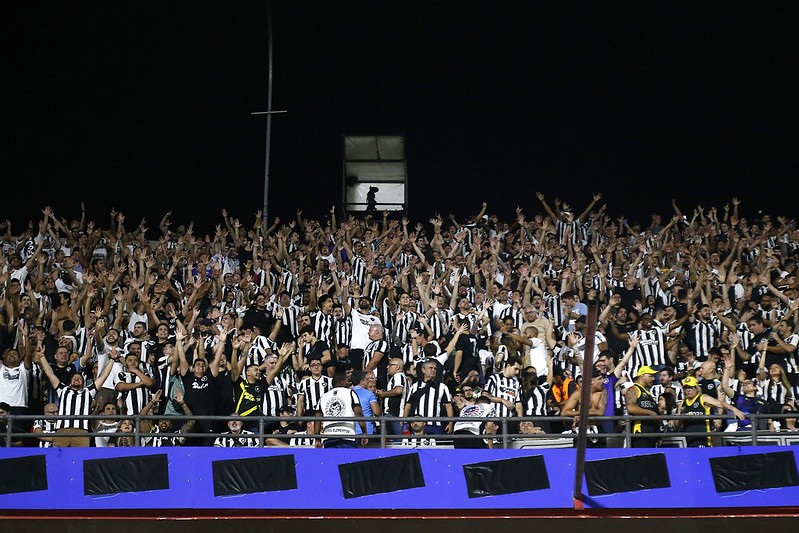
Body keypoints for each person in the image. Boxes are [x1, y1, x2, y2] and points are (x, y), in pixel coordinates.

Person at [35, 340, 115, 447]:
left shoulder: (88, 392)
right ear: (70, 382)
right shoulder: (63, 390)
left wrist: (112, 360)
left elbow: (103, 376)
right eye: (74, 378)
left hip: (82, 432)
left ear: (83, 382)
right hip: (62, 431)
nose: (77, 379)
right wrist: (42, 356)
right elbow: (50, 374)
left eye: (79, 378)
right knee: (60, 459)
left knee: (79, 460)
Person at [675, 376, 745, 447]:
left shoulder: (703, 398)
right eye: (686, 388)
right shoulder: (682, 404)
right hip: (689, 439)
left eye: (691, 387)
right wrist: (680, 415)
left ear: (696, 388)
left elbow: (720, 403)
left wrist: (734, 409)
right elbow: (677, 424)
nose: (688, 390)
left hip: (704, 439)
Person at [314, 371, 367, 448]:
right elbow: (358, 413)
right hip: (347, 436)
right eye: (347, 380)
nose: (349, 383)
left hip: (329, 437)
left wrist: (317, 439)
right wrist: (364, 433)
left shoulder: (323, 396)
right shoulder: (350, 393)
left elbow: (317, 419)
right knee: (349, 460)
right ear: (342, 381)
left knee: (331, 460)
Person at [404, 359, 454, 435]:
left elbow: (448, 406)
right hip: (417, 425)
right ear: (423, 370)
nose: (433, 370)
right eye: (430, 368)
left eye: (435, 369)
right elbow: (408, 405)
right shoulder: (414, 387)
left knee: (434, 446)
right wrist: (405, 421)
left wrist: (450, 423)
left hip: (435, 425)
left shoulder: (442, 387)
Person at [624, 365, 661, 448]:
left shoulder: (646, 392)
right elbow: (631, 408)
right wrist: (650, 413)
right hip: (640, 432)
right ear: (642, 376)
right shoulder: (634, 389)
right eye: (650, 376)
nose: (653, 379)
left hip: (651, 432)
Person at [376, 357, 408, 439]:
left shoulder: (398, 376)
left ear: (397, 367)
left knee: (396, 441)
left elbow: (398, 390)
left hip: (394, 414)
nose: (387, 367)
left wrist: (383, 394)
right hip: (394, 415)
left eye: (390, 365)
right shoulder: (398, 377)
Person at [352, 370, 381, 441]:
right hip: (367, 431)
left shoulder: (347, 393)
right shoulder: (369, 394)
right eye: (366, 380)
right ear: (362, 381)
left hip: (351, 430)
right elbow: (377, 412)